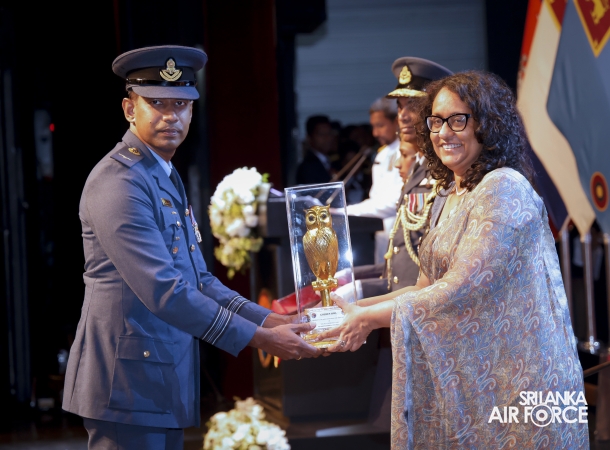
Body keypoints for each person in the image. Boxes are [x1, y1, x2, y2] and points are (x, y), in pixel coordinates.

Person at [61, 45, 321, 450]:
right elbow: (164, 290)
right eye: (157, 103)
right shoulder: (119, 182)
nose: (171, 116)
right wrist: (259, 338)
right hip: (126, 385)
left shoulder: (161, 173)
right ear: (129, 109)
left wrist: (269, 320)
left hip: (158, 377)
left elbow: (199, 280)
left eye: (181, 104)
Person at [320, 70, 588, 448]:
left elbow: (458, 289)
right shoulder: (455, 189)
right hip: (480, 383)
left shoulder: (504, 187)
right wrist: (349, 310)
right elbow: (424, 287)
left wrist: (366, 319)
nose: (444, 132)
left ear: (487, 124)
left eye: (458, 120)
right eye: (436, 121)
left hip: (521, 385)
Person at [340, 57, 453, 300]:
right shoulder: (419, 167)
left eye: (412, 105)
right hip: (405, 298)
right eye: (400, 107)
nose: (403, 116)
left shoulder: (445, 171)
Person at [346, 97, 404, 263]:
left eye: (380, 125)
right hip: (382, 233)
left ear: (396, 122)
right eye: (373, 126)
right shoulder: (382, 154)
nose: (375, 133)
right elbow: (375, 199)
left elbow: (395, 202)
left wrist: (348, 211)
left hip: (401, 234)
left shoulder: (408, 152)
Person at [296, 115, 338, 185]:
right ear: (309, 138)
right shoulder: (308, 167)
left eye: (329, 133)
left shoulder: (332, 161)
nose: (327, 138)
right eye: (321, 134)